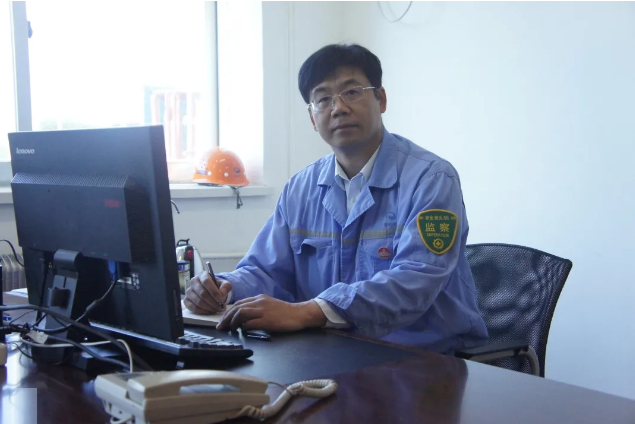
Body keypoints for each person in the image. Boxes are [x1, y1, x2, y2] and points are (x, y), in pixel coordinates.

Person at [184, 43, 488, 353]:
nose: (338, 108)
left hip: (425, 357)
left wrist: (309, 312)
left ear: (381, 99)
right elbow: (264, 270)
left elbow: (415, 279)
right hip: (333, 353)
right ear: (312, 118)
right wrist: (223, 288)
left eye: (351, 92)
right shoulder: (300, 189)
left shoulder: (432, 179)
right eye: (323, 99)